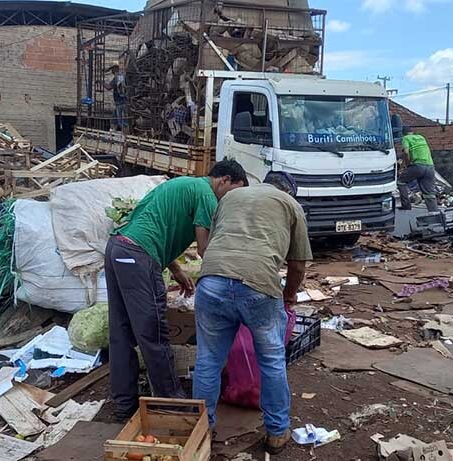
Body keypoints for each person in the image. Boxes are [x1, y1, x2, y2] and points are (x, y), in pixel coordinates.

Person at [104, 159, 248, 422]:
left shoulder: (184, 185)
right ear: (223, 181)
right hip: (138, 257)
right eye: (233, 191)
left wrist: (177, 269)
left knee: (121, 333)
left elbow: (150, 225)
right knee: (154, 334)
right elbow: (205, 249)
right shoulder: (207, 194)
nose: (231, 199)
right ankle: (172, 402)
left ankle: (124, 406)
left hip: (117, 249)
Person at [192, 172, 313, 455]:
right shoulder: (290, 205)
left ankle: (202, 431)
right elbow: (297, 266)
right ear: (288, 191)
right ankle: (276, 433)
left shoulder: (231, 196)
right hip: (258, 286)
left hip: (211, 281)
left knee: (208, 360)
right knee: (271, 360)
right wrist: (289, 295)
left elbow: (210, 242)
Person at [397, 126, 440, 212]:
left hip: (418, 166)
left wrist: (407, 164)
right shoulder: (421, 137)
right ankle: (434, 213)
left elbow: (406, 152)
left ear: (403, 133)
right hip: (430, 167)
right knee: (429, 193)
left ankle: (406, 206)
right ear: (412, 132)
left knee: (400, 181)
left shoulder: (405, 138)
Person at [104, 64, 127, 131]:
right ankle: (112, 130)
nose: (111, 71)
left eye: (112, 69)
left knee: (121, 122)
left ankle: (125, 135)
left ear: (115, 69)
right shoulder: (121, 76)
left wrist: (101, 82)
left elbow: (109, 87)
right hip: (120, 102)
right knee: (114, 118)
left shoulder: (118, 77)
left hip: (121, 102)